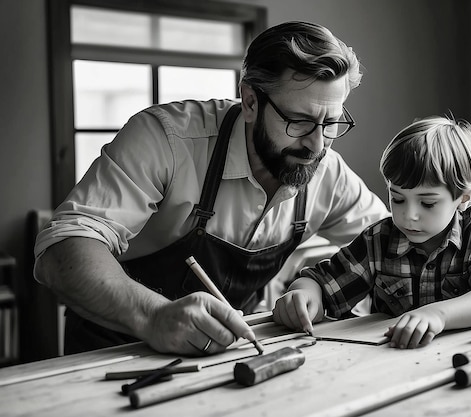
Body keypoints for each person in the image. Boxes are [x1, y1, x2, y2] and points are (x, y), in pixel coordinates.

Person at [34, 21, 389, 356]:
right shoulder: (167, 140)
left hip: (226, 349)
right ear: (250, 101)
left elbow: (395, 242)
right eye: (299, 122)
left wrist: (316, 287)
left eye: (330, 122)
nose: (316, 146)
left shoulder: (326, 170)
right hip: (115, 349)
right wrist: (153, 317)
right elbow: (62, 251)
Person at [272, 115, 471, 349]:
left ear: (463, 198)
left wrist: (437, 314)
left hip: (466, 355)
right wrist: (304, 295)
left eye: (427, 203)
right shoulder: (378, 239)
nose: (409, 215)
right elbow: (321, 283)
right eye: (397, 198)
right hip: (392, 359)